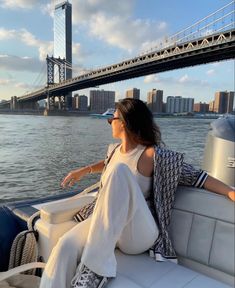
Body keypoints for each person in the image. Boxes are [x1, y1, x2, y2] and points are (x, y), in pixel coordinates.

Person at [39, 98, 235, 288]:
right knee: (65, 246)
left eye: (111, 119)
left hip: (139, 234)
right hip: (110, 228)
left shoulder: (152, 155)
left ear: (123, 122)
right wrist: (84, 170)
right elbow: (107, 164)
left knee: (120, 172)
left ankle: (95, 270)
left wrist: (229, 191)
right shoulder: (114, 151)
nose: (109, 123)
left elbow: (197, 176)